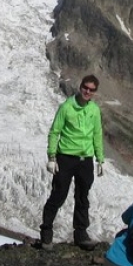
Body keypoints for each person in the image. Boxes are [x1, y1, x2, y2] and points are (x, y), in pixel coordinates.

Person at [39, 74, 104, 249]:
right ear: (80, 86)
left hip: (86, 160)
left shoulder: (94, 110)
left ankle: (81, 235)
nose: (87, 91)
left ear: (95, 92)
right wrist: (52, 157)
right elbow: (54, 132)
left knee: (83, 197)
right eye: (85, 88)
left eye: (91, 89)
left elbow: (97, 134)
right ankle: (46, 233)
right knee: (59, 194)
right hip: (65, 158)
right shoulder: (66, 107)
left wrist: (100, 159)